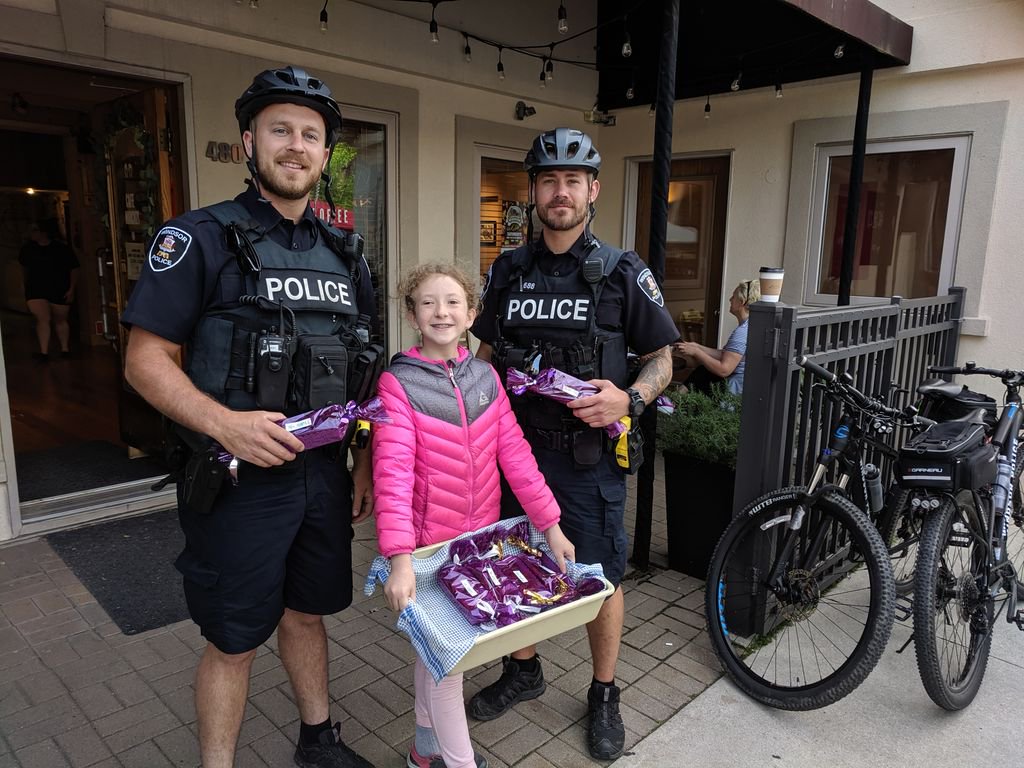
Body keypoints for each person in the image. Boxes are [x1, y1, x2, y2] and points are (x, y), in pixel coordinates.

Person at [121, 66, 378, 768]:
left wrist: (363, 463)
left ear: (326, 155)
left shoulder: (347, 256)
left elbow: (366, 372)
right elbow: (145, 360)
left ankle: (318, 741)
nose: (295, 146)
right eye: (280, 130)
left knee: (306, 613)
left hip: (322, 477)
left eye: (310, 135)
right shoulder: (197, 239)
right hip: (235, 481)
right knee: (233, 638)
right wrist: (222, 424)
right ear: (248, 143)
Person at [469, 128, 677, 760]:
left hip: (587, 461)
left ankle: (605, 692)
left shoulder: (623, 272)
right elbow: (483, 357)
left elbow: (663, 358)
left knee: (603, 577)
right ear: (533, 191)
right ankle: (523, 671)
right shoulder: (507, 269)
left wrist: (631, 400)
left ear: (593, 189)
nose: (560, 192)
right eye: (548, 180)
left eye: (572, 180)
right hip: (514, 455)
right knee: (519, 564)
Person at [373, 263, 575, 768]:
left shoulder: (486, 378)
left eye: (452, 302)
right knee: (449, 662)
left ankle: (424, 751)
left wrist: (550, 526)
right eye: (427, 302)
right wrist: (398, 559)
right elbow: (392, 476)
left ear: (472, 314)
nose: (441, 311)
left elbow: (517, 457)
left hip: (475, 549)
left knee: (434, 655)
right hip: (426, 554)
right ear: (412, 315)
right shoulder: (398, 384)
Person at [673, 279, 760, 395]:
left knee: (703, 374)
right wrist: (697, 347)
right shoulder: (751, 325)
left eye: (733, 297)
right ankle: (674, 401)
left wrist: (696, 352)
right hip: (743, 383)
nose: (730, 299)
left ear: (742, 302)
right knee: (702, 371)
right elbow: (726, 355)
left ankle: (673, 404)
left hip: (736, 390)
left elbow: (724, 369)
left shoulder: (742, 332)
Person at [18, 217, 80, 361]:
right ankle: (44, 352)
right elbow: (24, 268)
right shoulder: (27, 249)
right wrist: (23, 285)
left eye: (35, 230)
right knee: (42, 319)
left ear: (44, 232)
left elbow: (74, 269)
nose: (32, 233)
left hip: (59, 287)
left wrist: (71, 288)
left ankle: (65, 349)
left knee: (60, 319)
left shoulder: (61, 249)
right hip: (36, 288)